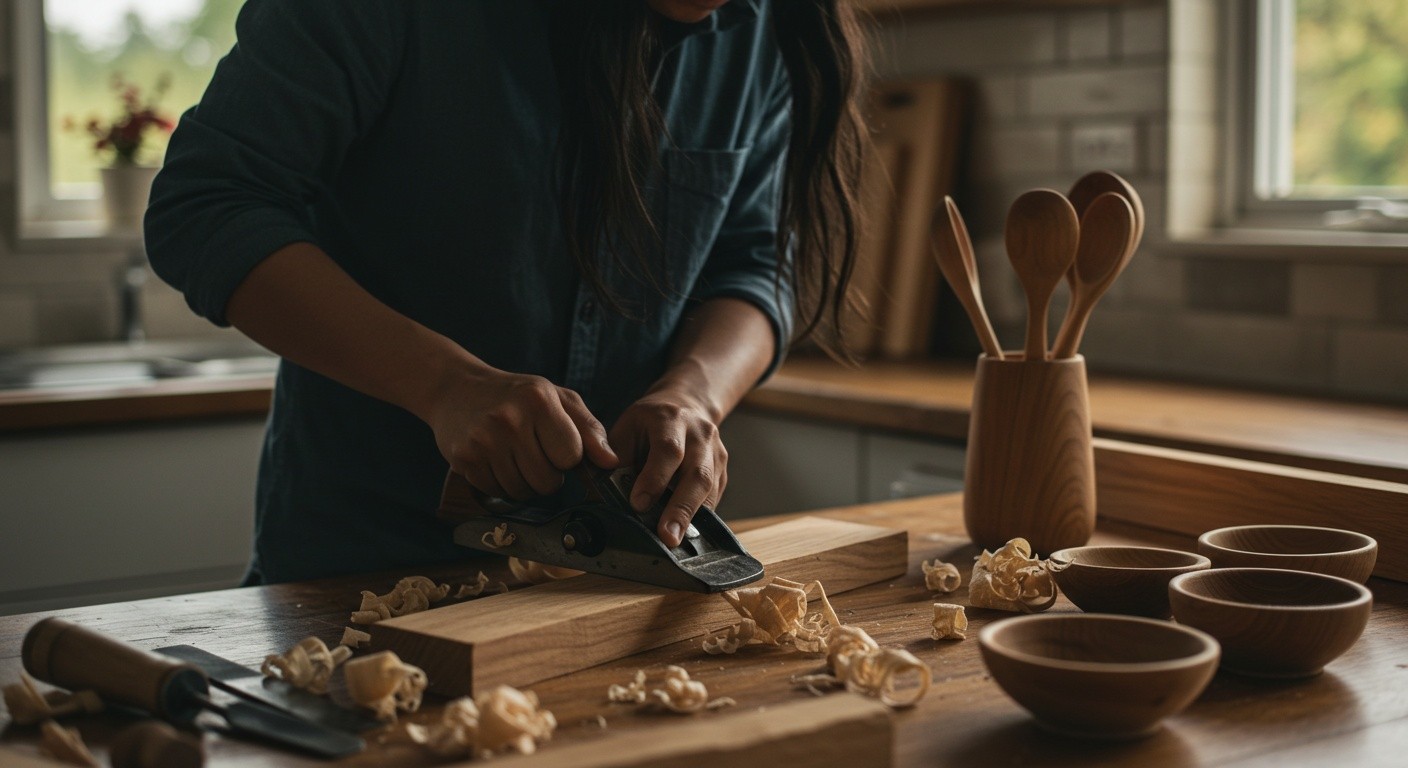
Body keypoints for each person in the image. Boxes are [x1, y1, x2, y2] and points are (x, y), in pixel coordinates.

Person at [145, 0, 867, 585]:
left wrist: (694, 394)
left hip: (611, 588)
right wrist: (445, 385)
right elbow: (207, 205)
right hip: (357, 574)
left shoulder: (770, 26)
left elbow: (755, 262)